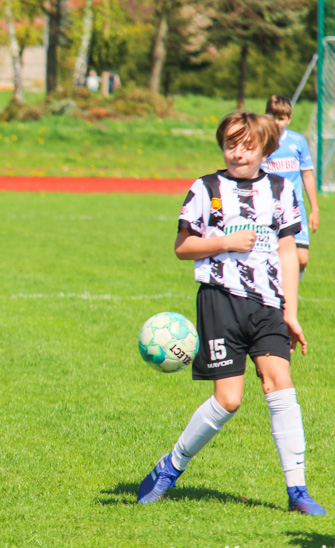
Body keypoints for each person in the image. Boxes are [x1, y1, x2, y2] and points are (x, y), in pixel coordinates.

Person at [136, 111, 325, 516]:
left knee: (281, 387)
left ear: (265, 149)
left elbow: (288, 252)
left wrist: (290, 310)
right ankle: (171, 466)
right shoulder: (205, 188)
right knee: (229, 399)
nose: (238, 153)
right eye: (231, 145)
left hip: (269, 304)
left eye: (247, 145)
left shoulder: (280, 190)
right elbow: (182, 246)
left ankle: (298, 491)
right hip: (220, 299)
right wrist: (223, 242)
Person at [262, 94, 320, 279]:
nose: (277, 122)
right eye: (273, 117)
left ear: (289, 119)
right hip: (268, 207)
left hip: (295, 207)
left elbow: (307, 175)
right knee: (272, 257)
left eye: (282, 118)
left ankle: (294, 279)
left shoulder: (297, 141)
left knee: (302, 258)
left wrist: (315, 209)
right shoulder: (260, 141)